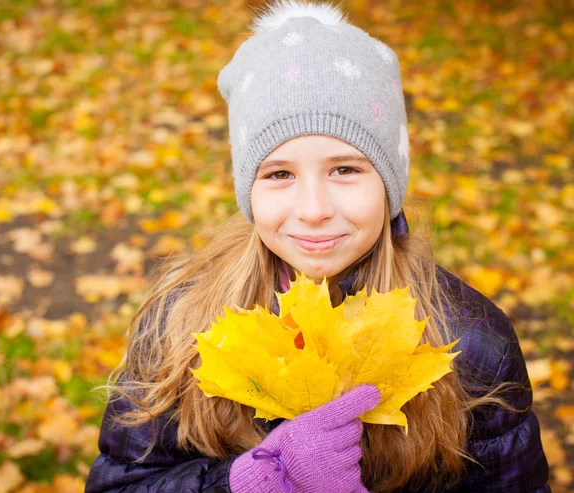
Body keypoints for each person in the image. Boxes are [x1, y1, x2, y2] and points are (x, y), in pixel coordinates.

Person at [85, 1, 551, 491]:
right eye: (280, 174)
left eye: (345, 169)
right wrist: (245, 482)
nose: (313, 209)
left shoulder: (472, 345)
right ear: (249, 190)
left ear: (389, 182)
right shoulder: (184, 324)